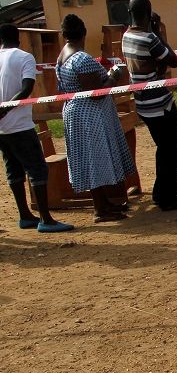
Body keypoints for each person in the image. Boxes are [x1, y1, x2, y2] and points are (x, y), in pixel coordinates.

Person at [56, 15, 137, 222]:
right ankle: (100, 209)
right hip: (88, 116)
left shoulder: (62, 56)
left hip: (76, 113)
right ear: (83, 33)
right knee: (95, 159)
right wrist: (113, 75)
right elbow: (96, 92)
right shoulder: (81, 59)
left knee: (91, 160)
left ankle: (103, 203)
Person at [122, 0, 177, 211]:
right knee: (172, 151)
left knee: (163, 149)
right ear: (148, 13)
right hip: (160, 103)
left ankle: (160, 192)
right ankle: (167, 197)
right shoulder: (148, 38)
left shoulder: (126, 36)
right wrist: (157, 32)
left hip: (142, 103)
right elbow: (172, 59)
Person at [0, 25, 73, 232]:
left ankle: (25, 216)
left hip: (2, 129)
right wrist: (7, 109)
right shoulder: (24, 57)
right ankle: (45, 219)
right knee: (37, 169)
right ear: (18, 39)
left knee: (13, 169)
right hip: (19, 125)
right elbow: (26, 88)